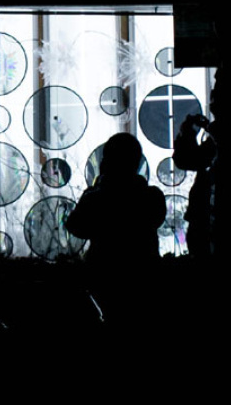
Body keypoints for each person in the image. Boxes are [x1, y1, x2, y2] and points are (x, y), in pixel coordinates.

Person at [65, 132, 166, 329]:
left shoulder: (96, 199)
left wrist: (98, 186)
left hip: (104, 279)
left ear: (108, 162)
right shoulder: (152, 196)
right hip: (145, 280)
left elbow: (75, 226)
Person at [173, 67, 223, 260]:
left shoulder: (216, 138)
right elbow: (189, 159)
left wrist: (188, 132)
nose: (212, 101)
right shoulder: (214, 138)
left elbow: (188, 159)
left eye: (216, 93)